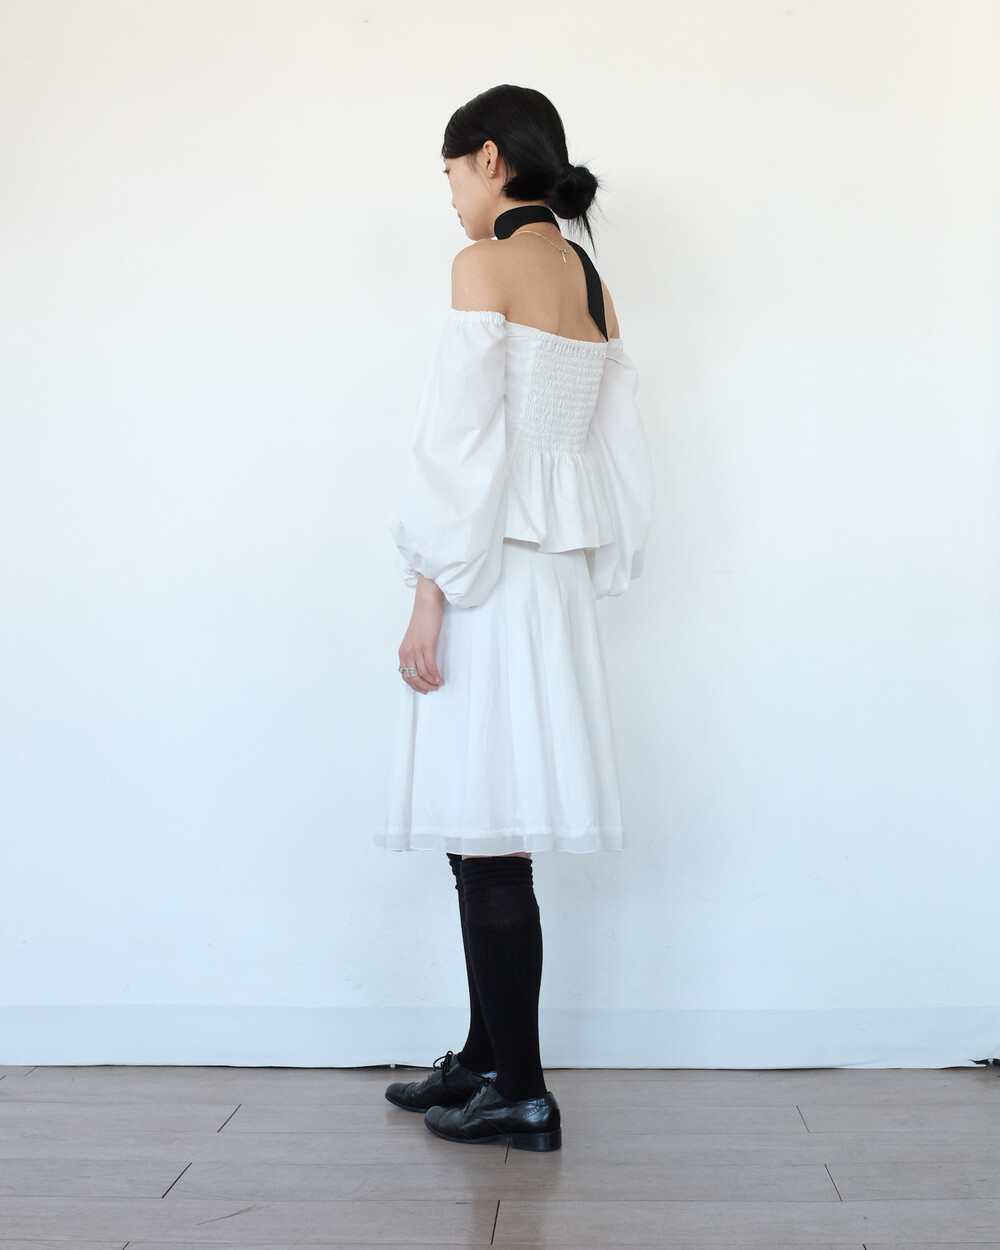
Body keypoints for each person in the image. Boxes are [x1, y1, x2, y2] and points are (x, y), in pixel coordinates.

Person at [374, 85, 656, 1152]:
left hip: (485, 572)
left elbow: (457, 446)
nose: (450, 196)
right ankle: (487, 1056)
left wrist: (427, 588)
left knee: (486, 832)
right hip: (552, 579)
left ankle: (523, 1091)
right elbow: (617, 447)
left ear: (489, 158)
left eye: (451, 173)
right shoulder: (588, 277)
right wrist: (592, 557)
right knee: (485, 822)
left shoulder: (481, 264)